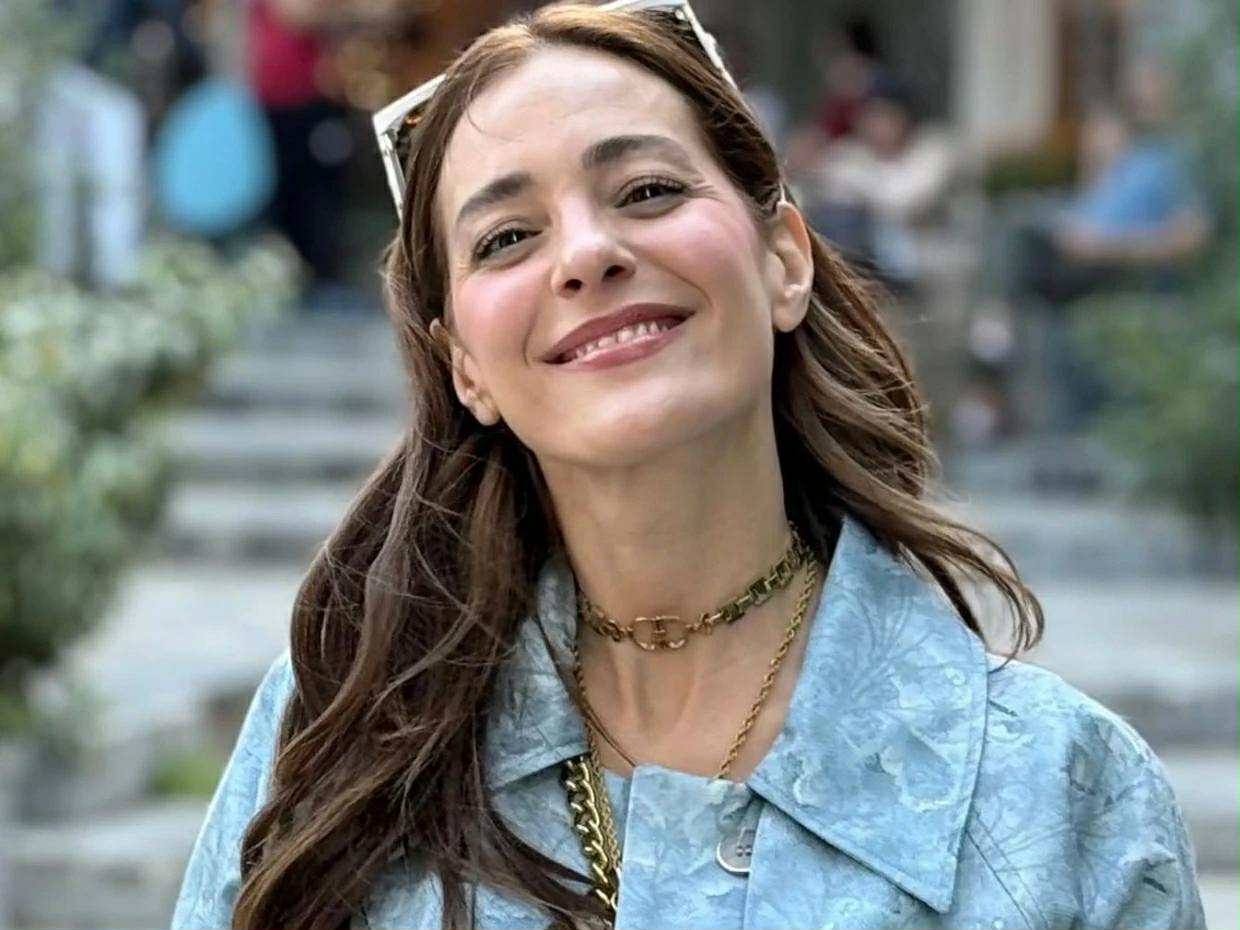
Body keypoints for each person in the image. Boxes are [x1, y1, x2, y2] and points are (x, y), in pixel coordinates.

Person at [170, 4, 1206, 929]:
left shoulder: (1065, 793)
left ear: (783, 259)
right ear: (463, 368)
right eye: (507, 237)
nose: (586, 253)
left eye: (648, 189)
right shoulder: (337, 730)